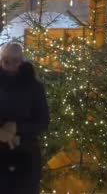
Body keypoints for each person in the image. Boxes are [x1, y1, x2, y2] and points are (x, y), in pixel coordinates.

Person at [0, 43, 49, 194]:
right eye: (6, 61)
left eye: (15, 61)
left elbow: (43, 121)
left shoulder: (35, 87)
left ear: (22, 61)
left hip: (26, 157)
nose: (10, 65)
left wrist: (17, 127)